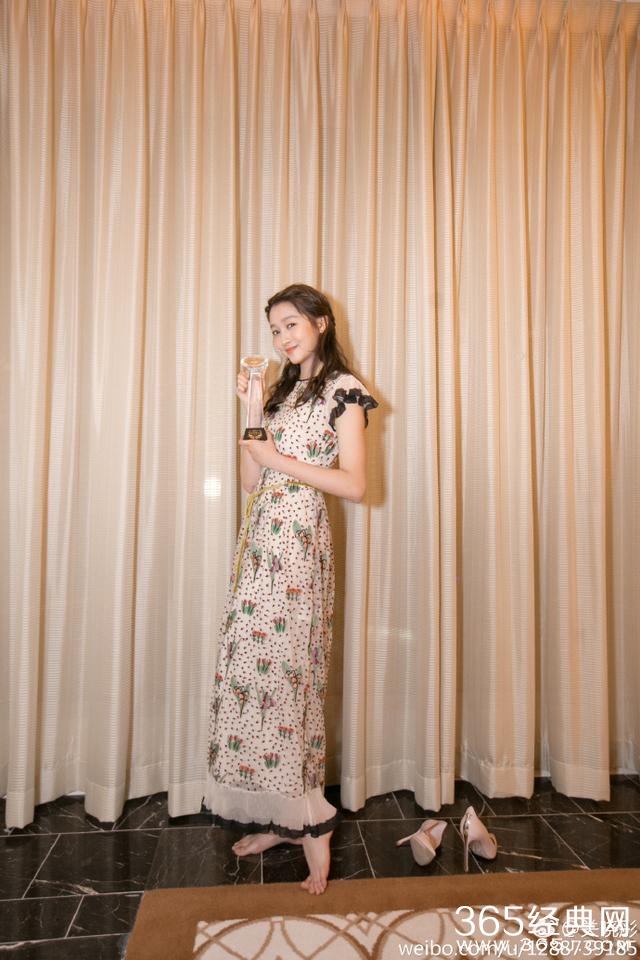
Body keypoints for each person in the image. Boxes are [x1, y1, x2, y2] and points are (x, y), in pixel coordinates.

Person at [205, 283, 377, 895]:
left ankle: (314, 827)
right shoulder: (280, 392)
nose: (282, 338)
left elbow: (356, 484)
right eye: (274, 329)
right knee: (255, 683)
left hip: (300, 548)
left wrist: (277, 458)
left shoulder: (343, 390)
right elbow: (251, 481)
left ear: (321, 322)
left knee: (291, 685)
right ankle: (282, 819)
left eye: (291, 324)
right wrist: (254, 413)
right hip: (259, 545)